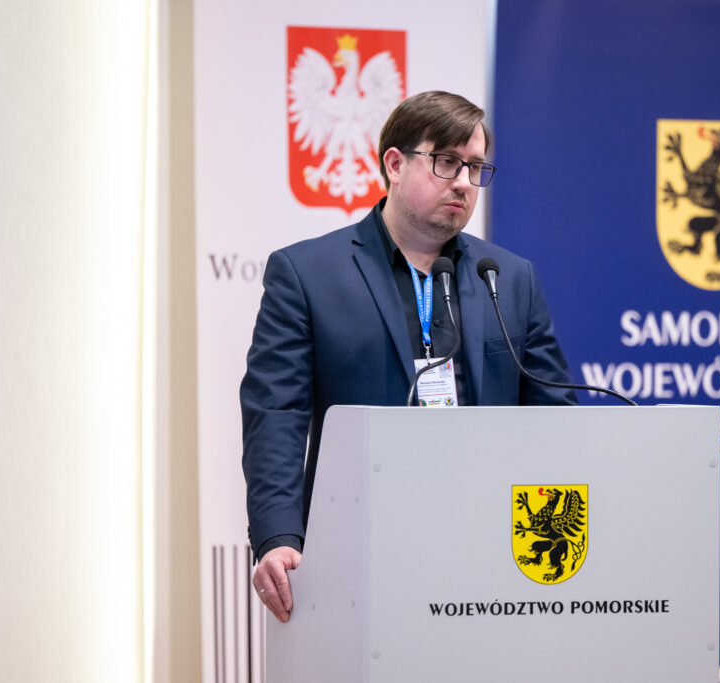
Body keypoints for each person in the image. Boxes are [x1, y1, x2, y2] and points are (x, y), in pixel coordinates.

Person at [241, 91, 576, 623]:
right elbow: (276, 414)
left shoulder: (508, 278)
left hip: (492, 555)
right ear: (395, 165)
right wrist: (278, 536)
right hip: (359, 549)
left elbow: (555, 417)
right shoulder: (307, 274)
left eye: (475, 168)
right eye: (446, 162)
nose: (463, 182)